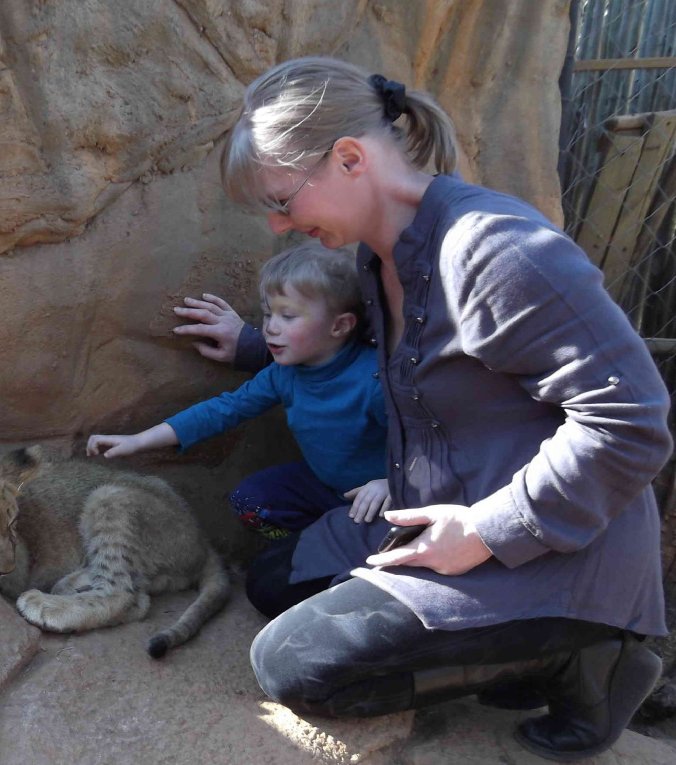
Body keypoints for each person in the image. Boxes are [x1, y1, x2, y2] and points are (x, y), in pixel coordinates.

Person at [175, 56, 672, 762]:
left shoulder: (494, 249)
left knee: (292, 664)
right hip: (433, 512)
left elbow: (632, 420)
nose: (281, 226)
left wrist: (485, 530)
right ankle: (518, 656)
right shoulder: (377, 264)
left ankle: (580, 657)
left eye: (282, 201)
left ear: (348, 157)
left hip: (549, 542)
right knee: (273, 582)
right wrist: (255, 345)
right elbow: (366, 357)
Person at [88, 242, 392, 560]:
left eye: (288, 316)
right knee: (251, 503)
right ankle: (309, 549)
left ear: (340, 325)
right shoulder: (283, 373)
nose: (271, 328)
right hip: (324, 486)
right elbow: (224, 409)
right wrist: (138, 441)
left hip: (381, 500)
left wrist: (391, 484)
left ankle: (341, 556)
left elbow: (425, 448)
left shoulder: (374, 381)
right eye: (268, 313)